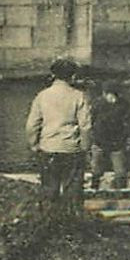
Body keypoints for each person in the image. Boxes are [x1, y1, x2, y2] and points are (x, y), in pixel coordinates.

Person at [25, 56, 92, 207]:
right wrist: (85, 148)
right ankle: (72, 224)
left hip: (48, 148)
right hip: (71, 149)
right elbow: (86, 126)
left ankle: (50, 223)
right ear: (73, 76)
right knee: (73, 192)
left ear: (53, 75)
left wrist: (34, 144)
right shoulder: (78, 96)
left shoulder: (42, 96)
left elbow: (32, 125)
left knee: (49, 191)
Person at [87, 81, 130, 190]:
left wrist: (127, 139)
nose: (111, 96)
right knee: (97, 169)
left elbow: (129, 124)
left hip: (116, 143)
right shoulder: (97, 104)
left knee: (119, 171)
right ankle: (95, 188)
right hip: (101, 142)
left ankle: (119, 190)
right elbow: (90, 121)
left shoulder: (123, 105)